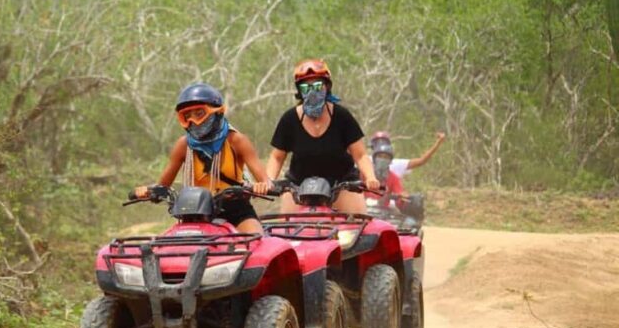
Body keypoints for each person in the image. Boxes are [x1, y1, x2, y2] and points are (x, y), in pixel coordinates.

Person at [134, 83, 272, 234]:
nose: (193, 121)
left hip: (236, 209)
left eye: (199, 113)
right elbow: (162, 186)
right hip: (195, 213)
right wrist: (148, 191)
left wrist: (262, 186)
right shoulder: (183, 145)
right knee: (167, 245)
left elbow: (265, 180)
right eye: (187, 116)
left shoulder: (236, 140)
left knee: (255, 240)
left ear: (217, 112)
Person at [265, 59, 378, 213]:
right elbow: (277, 157)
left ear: (327, 86)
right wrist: (269, 180)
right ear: (299, 91)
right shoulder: (289, 119)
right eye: (306, 87)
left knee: (358, 224)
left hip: (342, 185)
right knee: (287, 226)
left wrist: (370, 177)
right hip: (298, 186)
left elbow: (360, 155)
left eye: (317, 86)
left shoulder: (342, 116)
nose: (312, 92)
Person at [370, 131, 446, 187]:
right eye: (377, 143)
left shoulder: (396, 164)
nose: (381, 145)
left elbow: (421, 161)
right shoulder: (366, 162)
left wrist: (438, 143)